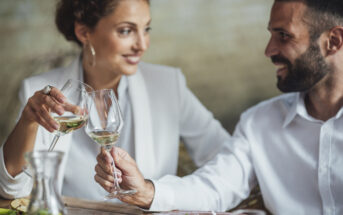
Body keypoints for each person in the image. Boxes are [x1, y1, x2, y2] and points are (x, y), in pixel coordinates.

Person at [95, 0, 343, 214]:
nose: (269, 50)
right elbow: (214, 187)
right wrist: (146, 191)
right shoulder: (258, 123)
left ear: (333, 41)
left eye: (284, 36)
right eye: (271, 35)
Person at [0, 0, 230, 200]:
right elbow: (11, 190)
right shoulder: (41, 92)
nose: (142, 44)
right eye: (126, 31)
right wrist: (27, 123)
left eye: (146, 29)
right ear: (84, 32)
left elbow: (228, 161)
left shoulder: (168, 85)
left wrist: (158, 194)